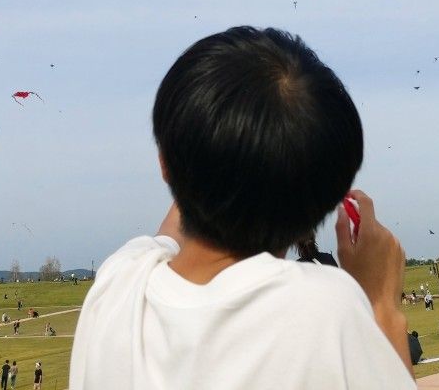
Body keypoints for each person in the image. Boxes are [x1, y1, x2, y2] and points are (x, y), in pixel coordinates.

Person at [69, 26, 415, 389]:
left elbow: (176, 216)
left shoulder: (118, 285)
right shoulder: (324, 311)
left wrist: (219, 123)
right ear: (325, 201)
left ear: (164, 165)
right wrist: (382, 307)